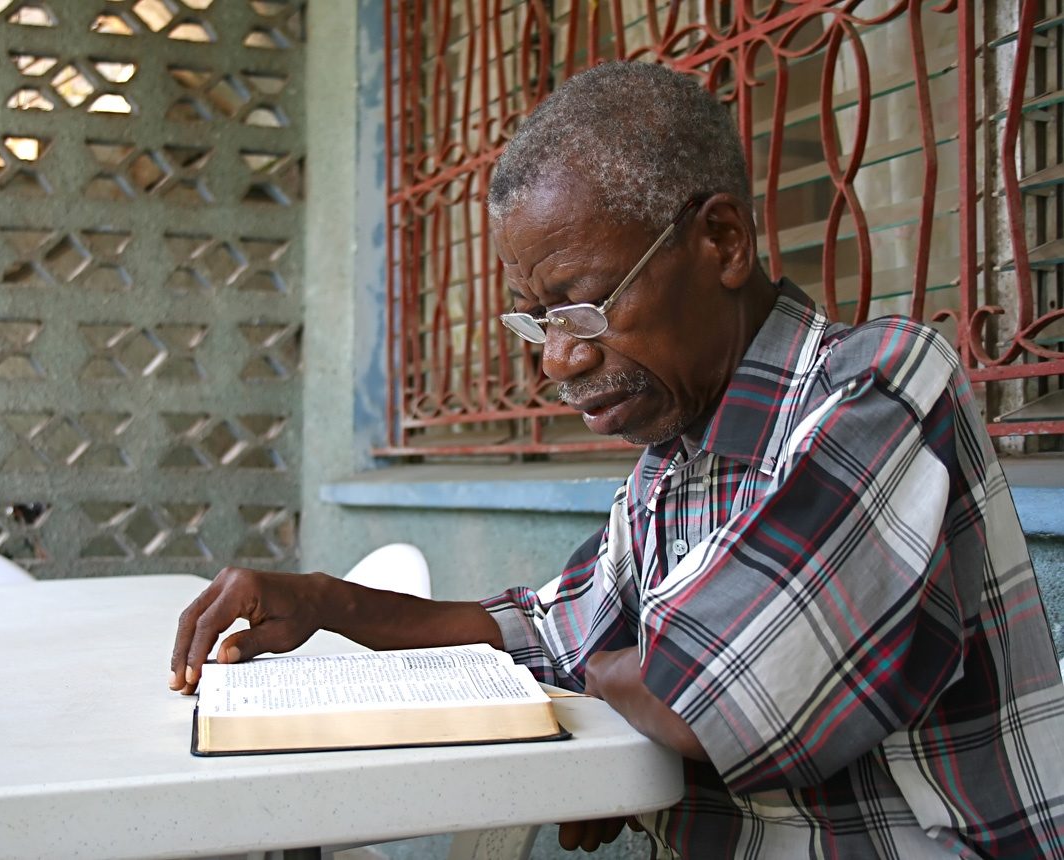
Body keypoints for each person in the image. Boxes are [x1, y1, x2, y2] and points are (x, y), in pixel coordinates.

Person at [170, 61, 1064, 858]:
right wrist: (326, 601)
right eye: (537, 321)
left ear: (720, 241)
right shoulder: (672, 462)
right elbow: (552, 634)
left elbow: (699, 701)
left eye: (583, 307)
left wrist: (609, 696)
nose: (558, 361)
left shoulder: (882, 388)